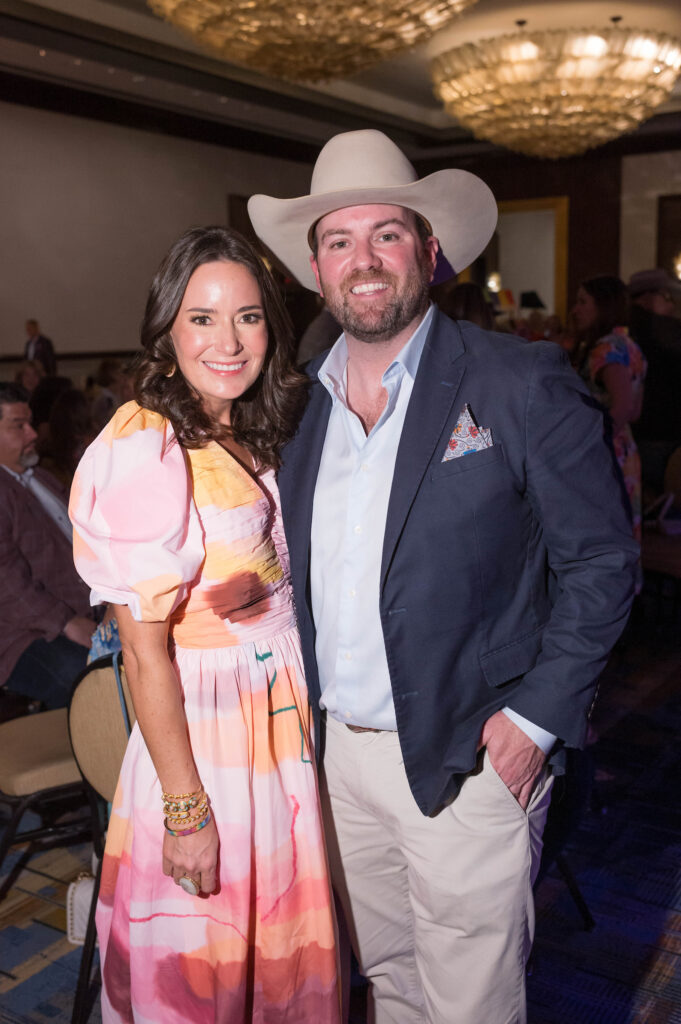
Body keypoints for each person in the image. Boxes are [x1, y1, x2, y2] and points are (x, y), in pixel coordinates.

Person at [248, 130, 638, 1024]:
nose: (364, 260)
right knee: (386, 981)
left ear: (428, 250)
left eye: (387, 234)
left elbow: (602, 561)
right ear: (315, 270)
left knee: (470, 1005)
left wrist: (533, 723)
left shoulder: (519, 381)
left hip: (469, 756)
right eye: (339, 241)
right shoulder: (294, 403)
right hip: (337, 756)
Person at [69, 226, 339, 1023]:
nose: (228, 340)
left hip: (275, 721)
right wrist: (186, 812)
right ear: (166, 328)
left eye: (248, 317)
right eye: (202, 318)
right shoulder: (145, 444)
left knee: (270, 954)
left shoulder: (246, 428)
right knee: (206, 962)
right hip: (208, 735)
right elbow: (145, 657)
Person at [0, 383, 94, 709]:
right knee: (87, 677)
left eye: (29, 422)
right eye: (17, 426)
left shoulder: (39, 476)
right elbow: (7, 584)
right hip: (21, 633)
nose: (31, 433)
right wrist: (66, 623)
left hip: (76, 610)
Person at [572, 275, 647, 543]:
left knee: (604, 534)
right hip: (626, 449)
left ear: (602, 306)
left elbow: (623, 406)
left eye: (583, 302)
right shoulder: (629, 345)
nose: (575, 310)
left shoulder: (605, 348)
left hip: (606, 453)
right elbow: (634, 411)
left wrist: (590, 444)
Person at [627, 268, 681, 495]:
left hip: (630, 434)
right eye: (668, 298)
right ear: (648, 297)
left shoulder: (619, 328)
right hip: (662, 432)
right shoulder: (665, 330)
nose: (672, 305)